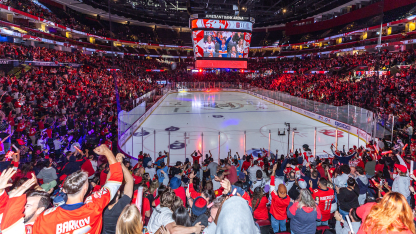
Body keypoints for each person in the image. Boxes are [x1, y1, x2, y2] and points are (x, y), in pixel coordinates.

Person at [33, 144, 123, 234]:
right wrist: (108, 152)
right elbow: (116, 179)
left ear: (64, 190)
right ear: (86, 188)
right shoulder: (95, 205)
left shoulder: (46, 217)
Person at [102, 153, 134, 234]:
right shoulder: (121, 205)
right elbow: (130, 182)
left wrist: (115, 164)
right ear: (118, 193)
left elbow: (108, 183)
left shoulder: (101, 206)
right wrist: (121, 164)